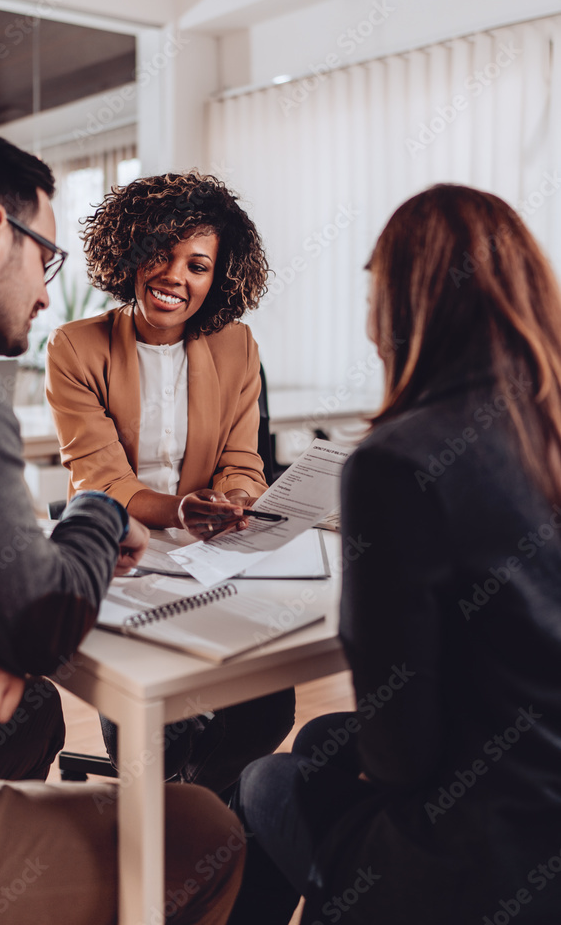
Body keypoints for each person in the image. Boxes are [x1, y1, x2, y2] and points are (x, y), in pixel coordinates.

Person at [0, 133, 245, 925]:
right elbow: (40, 617)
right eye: (45, 258)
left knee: (31, 714)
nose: (49, 293)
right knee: (207, 832)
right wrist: (97, 511)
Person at [226, 184, 561, 925]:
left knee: (261, 782)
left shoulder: (398, 463)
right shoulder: (545, 431)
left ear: (404, 310)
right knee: (317, 737)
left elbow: (400, 753)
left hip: (491, 860)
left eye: (373, 297)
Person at [46, 172, 295, 795]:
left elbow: (243, 461)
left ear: (218, 277)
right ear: (130, 250)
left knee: (267, 703)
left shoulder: (237, 346)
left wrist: (234, 501)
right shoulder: (76, 347)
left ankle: (189, 806)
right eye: (161, 251)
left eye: (198, 264)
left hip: (211, 550)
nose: (175, 276)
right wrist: (182, 509)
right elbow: (101, 480)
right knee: (146, 714)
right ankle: (162, 809)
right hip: (120, 548)